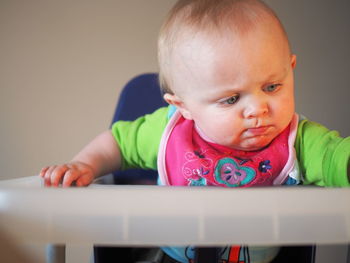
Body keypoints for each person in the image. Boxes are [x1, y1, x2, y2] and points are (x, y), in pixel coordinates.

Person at [40, 0, 350, 262]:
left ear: (291, 68)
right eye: (230, 98)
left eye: (272, 86)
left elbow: (337, 157)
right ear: (183, 106)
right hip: (172, 254)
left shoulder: (297, 140)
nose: (258, 108)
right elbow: (118, 143)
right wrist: (84, 164)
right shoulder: (169, 131)